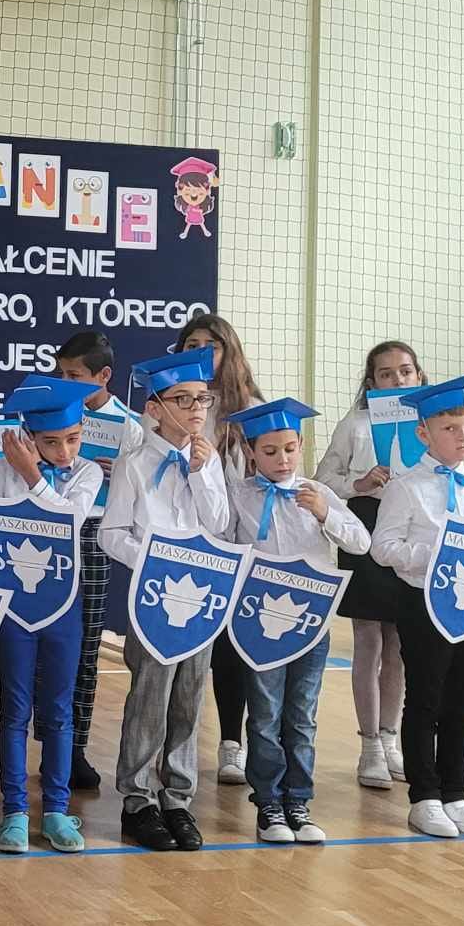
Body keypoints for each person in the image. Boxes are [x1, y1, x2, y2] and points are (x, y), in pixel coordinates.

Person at [100, 347, 232, 852]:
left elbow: (219, 524)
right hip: (154, 596)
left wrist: (201, 472)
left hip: (200, 599)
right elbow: (111, 534)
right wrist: (156, 561)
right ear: (155, 408)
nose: (197, 409)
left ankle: (178, 797)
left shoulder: (208, 460)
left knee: (189, 695)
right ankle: (137, 799)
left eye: (202, 398)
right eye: (183, 399)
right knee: (150, 697)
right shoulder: (134, 464)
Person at [369, 373, 464, 840]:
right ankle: (424, 796)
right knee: (424, 699)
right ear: (423, 434)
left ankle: (456, 792)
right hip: (424, 604)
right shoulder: (407, 488)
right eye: (450, 429)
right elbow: (383, 547)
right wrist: (435, 558)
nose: (462, 437)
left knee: (461, 704)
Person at [226, 398, 369, 845]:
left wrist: (325, 513)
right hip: (261, 624)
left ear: (301, 445)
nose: (282, 459)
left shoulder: (317, 493)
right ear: (251, 451)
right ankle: (268, 801)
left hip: (311, 624)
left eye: (290, 449)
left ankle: (299, 801)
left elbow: (361, 542)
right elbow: (226, 545)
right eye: (270, 451)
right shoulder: (240, 496)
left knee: (302, 715)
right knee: (265, 714)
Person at [0, 376, 102, 854]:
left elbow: (70, 520)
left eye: (73, 439)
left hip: (63, 603)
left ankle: (55, 808)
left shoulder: (88, 474)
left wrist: (33, 475)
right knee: (15, 709)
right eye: (51, 442)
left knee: (58, 709)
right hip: (14, 605)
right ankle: (14, 810)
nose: (64, 452)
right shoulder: (2, 469)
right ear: (28, 436)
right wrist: (24, 473)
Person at [312, 340, 423, 790]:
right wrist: (358, 483)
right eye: (386, 373)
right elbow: (323, 478)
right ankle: (369, 746)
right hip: (366, 525)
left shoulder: (427, 427)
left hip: (410, 532)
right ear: (371, 382)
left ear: (418, 376)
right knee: (368, 639)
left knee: (399, 644)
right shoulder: (355, 424)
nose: (397, 380)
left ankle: (391, 738)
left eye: (405, 371)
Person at [53, 329, 147, 790]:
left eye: (75, 376)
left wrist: (119, 474)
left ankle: (76, 747)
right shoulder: (52, 411)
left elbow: (140, 494)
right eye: (61, 374)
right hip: (51, 529)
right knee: (43, 642)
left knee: (87, 645)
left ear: (104, 376)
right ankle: (48, 741)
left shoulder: (130, 428)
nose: (65, 383)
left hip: (94, 533)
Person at [175, 312, 265, 787]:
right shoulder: (170, 402)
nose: (200, 352)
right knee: (183, 644)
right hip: (183, 538)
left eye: (210, 345)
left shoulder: (249, 407)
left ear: (229, 351)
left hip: (237, 540)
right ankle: (173, 747)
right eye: (191, 344)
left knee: (232, 646)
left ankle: (232, 742)